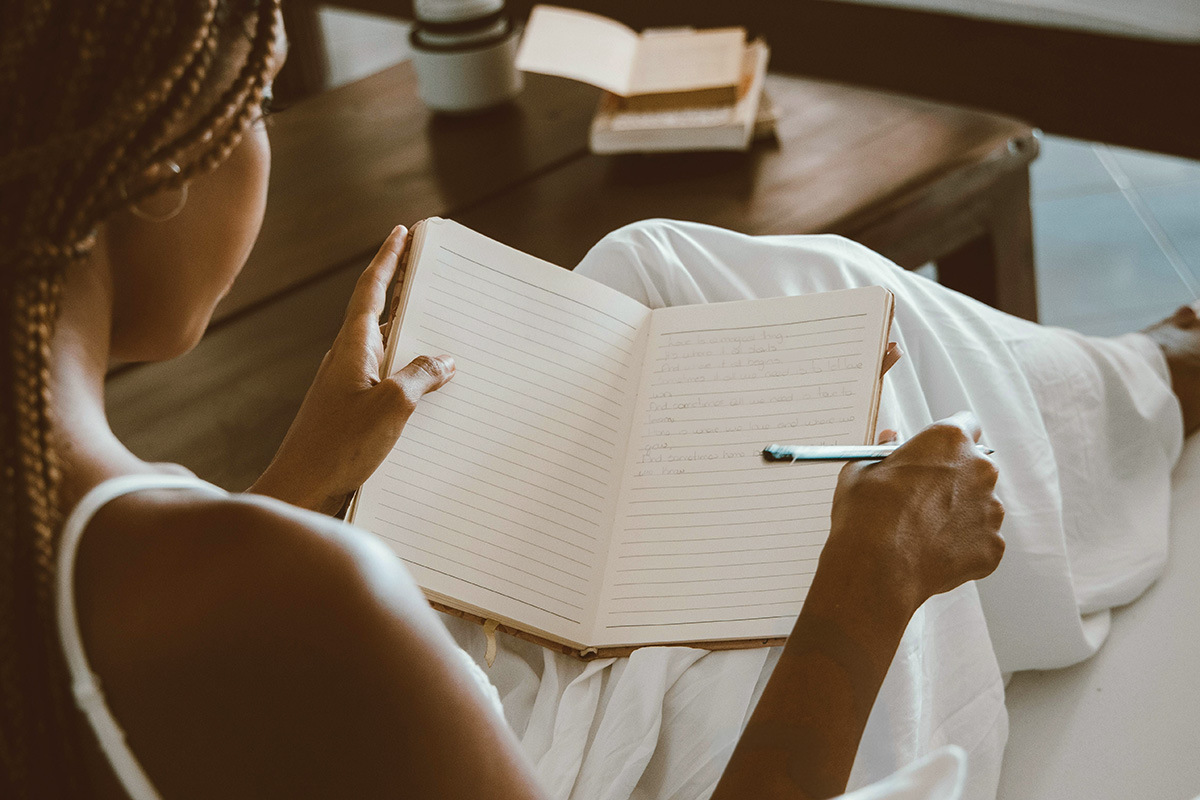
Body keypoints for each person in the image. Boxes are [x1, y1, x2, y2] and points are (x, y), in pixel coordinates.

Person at [0, 2, 1194, 799]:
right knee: (835, 389)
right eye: (251, 104)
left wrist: (295, 482)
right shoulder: (305, 592)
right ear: (154, 169)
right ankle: (1151, 393)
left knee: (657, 269)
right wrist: (869, 576)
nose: (257, 132)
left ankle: (1138, 384)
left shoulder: (66, 520)